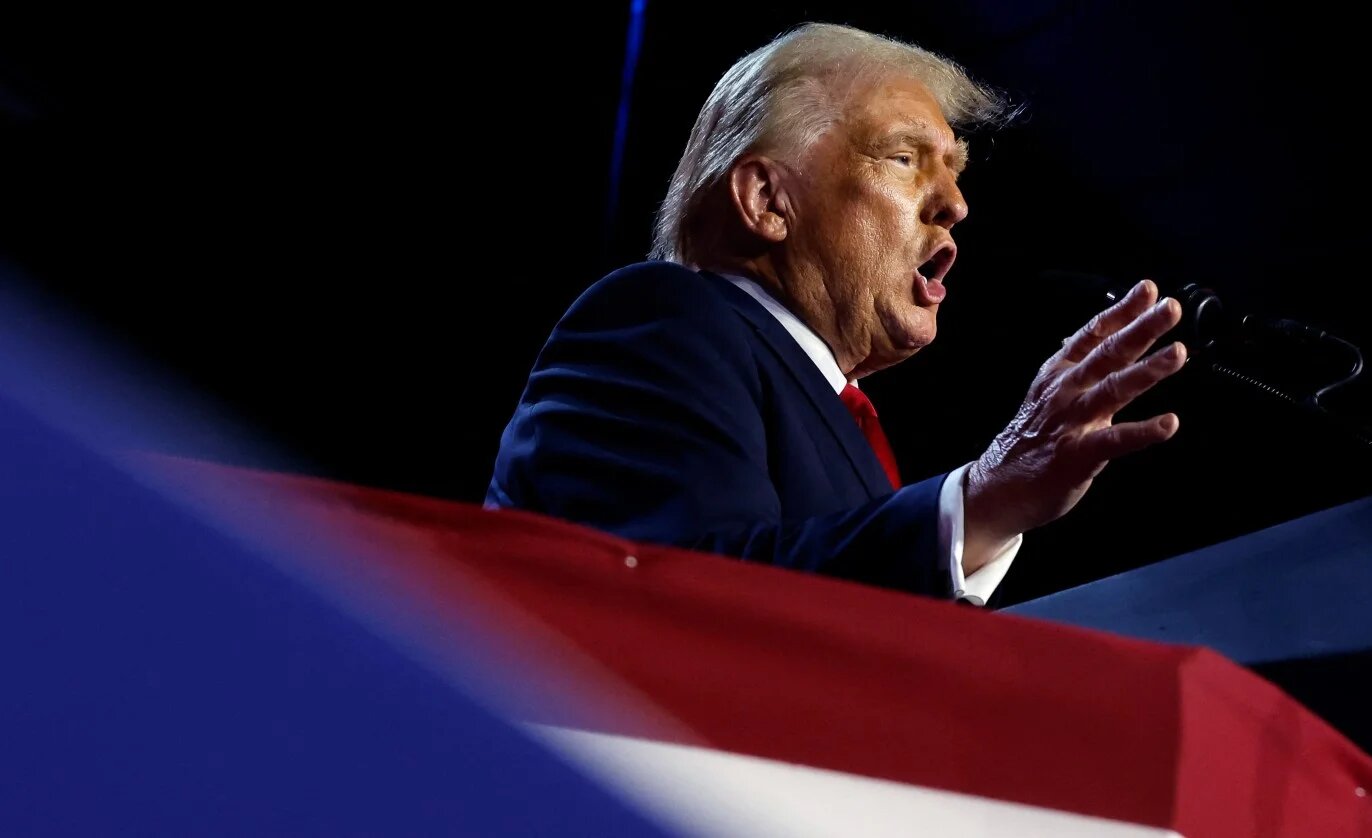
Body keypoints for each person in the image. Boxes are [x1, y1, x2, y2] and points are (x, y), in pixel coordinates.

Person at [486, 22, 1185, 605]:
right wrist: (981, 503)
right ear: (767, 200)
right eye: (904, 158)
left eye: (954, 171)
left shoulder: (838, 419)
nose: (955, 205)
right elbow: (691, 598)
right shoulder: (661, 321)